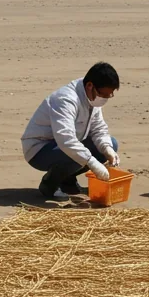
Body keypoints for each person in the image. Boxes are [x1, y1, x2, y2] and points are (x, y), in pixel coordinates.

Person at [23, 62, 121, 201]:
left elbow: (98, 129)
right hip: (40, 150)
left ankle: (67, 181)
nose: (104, 98)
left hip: (63, 146)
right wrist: (92, 163)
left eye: (109, 95)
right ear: (90, 86)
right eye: (103, 94)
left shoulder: (91, 98)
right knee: (76, 154)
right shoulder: (66, 99)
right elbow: (66, 140)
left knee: (111, 143)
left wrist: (107, 149)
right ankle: (49, 184)